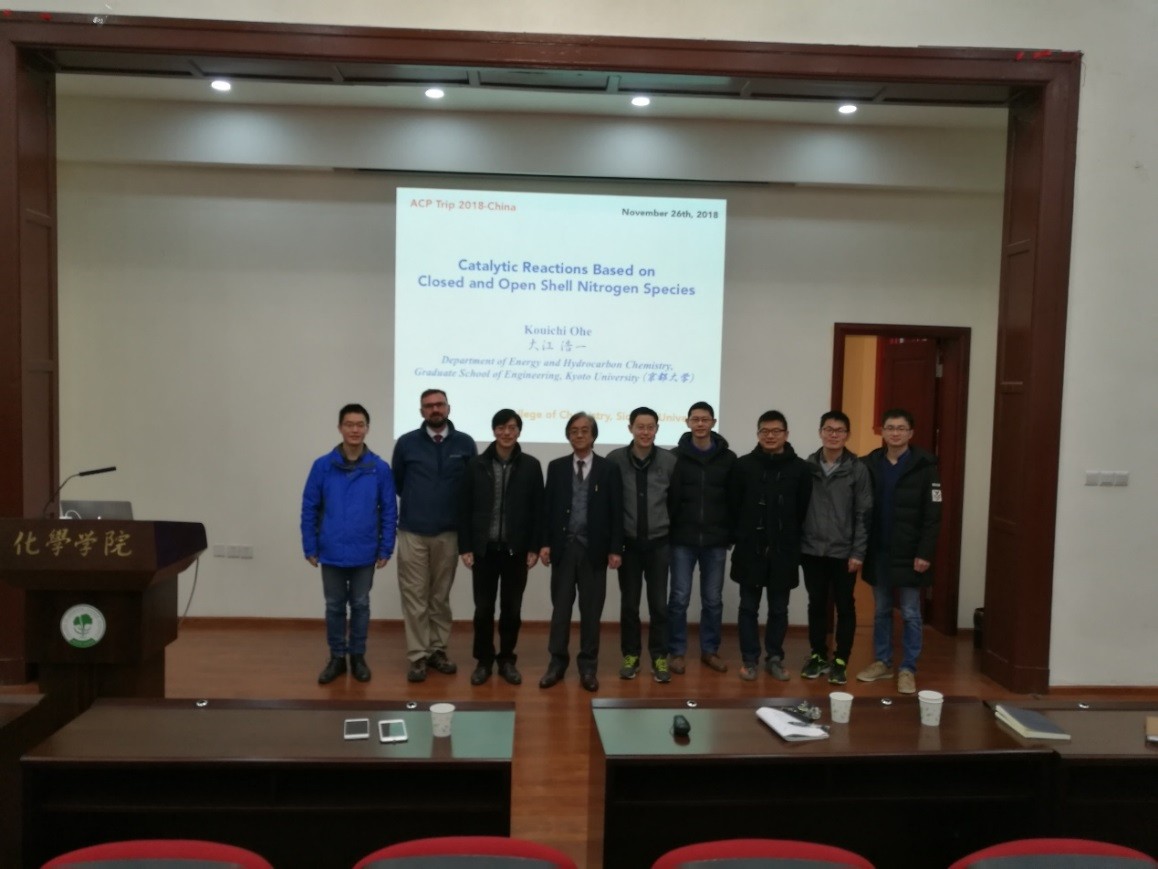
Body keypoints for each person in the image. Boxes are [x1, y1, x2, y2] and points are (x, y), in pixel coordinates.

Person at [300, 403, 396, 685]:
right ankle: (337, 658)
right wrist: (310, 546)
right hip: (330, 550)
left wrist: (386, 547)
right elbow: (309, 507)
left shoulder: (379, 468)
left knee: (361, 605)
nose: (355, 430)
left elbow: (389, 511)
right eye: (349, 424)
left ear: (367, 428)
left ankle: (358, 656)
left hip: (365, 551)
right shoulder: (322, 466)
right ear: (340, 428)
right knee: (334, 606)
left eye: (360, 425)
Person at [392, 389, 477, 683]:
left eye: (439, 404)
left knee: (439, 597)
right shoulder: (406, 443)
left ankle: (437, 650)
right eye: (428, 406)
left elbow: (471, 488)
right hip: (413, 532)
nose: (435, 409)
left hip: (449, 533)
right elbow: (398, 483)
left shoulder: (465, 443)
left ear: (448, 408)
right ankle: (418, 655)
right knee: (415, 596)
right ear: (421, 412)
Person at [856, 408, 943, 695]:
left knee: (910, 612)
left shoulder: (925, 466)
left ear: (910, 433)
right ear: (882, 431)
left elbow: (933, 516)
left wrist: (925, 552)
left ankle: (908, 668)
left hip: (911, 553)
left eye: (901, 428)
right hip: (878, 550)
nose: (895, 433)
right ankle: (882, 661)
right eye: (890, 428)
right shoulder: (869, 464)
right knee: (881, 610)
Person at [457, 409, 543, 686]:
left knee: (511, 609)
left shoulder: (530, 466)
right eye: (501, 428)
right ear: (494, 431)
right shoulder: (476, 465)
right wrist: (465, 546)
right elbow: (464, 508)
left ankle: (507, 659)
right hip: (484, 550)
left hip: (516, 550)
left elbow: (537, 510)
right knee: (483, 610)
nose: (507, 433)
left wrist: (533, 546)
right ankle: (483, 660)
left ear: (519, 431)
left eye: (512, 428)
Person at [539, 412, 623, 692]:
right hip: (563, 550)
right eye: (574, 430)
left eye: (584, 430)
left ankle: (588, 667)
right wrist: (545, 543)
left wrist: (615, 549)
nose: (579, 435)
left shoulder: (608, 469)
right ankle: (557, 663)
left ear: (593, 435)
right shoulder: (556, 467)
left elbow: (616, 512)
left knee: (591, 612)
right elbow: (548, 508)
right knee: (561, 611)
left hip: (594, 551)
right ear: (568, 435)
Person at [728, 410, 812, 681]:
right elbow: (734, 506)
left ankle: (774, 657)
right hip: (750, 550)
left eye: (776, 431)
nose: (770, 436)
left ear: (786, 435)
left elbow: (802, 509)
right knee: (748, 608)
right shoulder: (743, 466)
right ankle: (749, 659)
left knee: (778, 609)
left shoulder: (800, 469)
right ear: (758, 434)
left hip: (784, 551)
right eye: (765, 431)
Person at [799, 410, 872, 686]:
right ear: (820, 432)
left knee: (845, 605)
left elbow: (864, 513)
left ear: (847, 435)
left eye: (839, 430)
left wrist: (858, 552)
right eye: (828, 429)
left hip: (844, 552)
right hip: (812, 550)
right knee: (816, 603)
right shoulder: (807, 467)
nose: (833, 435)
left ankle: (841, 660)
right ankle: (818, 654)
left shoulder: (857, 469)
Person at [607, 406, 678, 683]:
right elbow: (611, 505)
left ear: (657, 430)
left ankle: (659, 656)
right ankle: (631, 655)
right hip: (629, 546)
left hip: (659, 544)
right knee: (630, 605)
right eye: (640, 427)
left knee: (659, 605)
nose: (645, 432)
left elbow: (675, 503)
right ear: (630, 429)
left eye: (650, 427)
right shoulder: (615, 460)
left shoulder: (669, 461)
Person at [666, 401, 737, 675]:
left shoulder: (728, 458)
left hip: (715, 540)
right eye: (695, 419)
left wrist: (729, 533)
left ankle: (710, 650)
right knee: (679, 598)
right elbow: (669, 499)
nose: (700, 424)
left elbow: (733, 499)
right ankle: (676, 651)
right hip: (682, 539)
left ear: (713, 423)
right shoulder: (674, 457)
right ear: (687, 423)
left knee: (712, 600)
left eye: (705, 419)